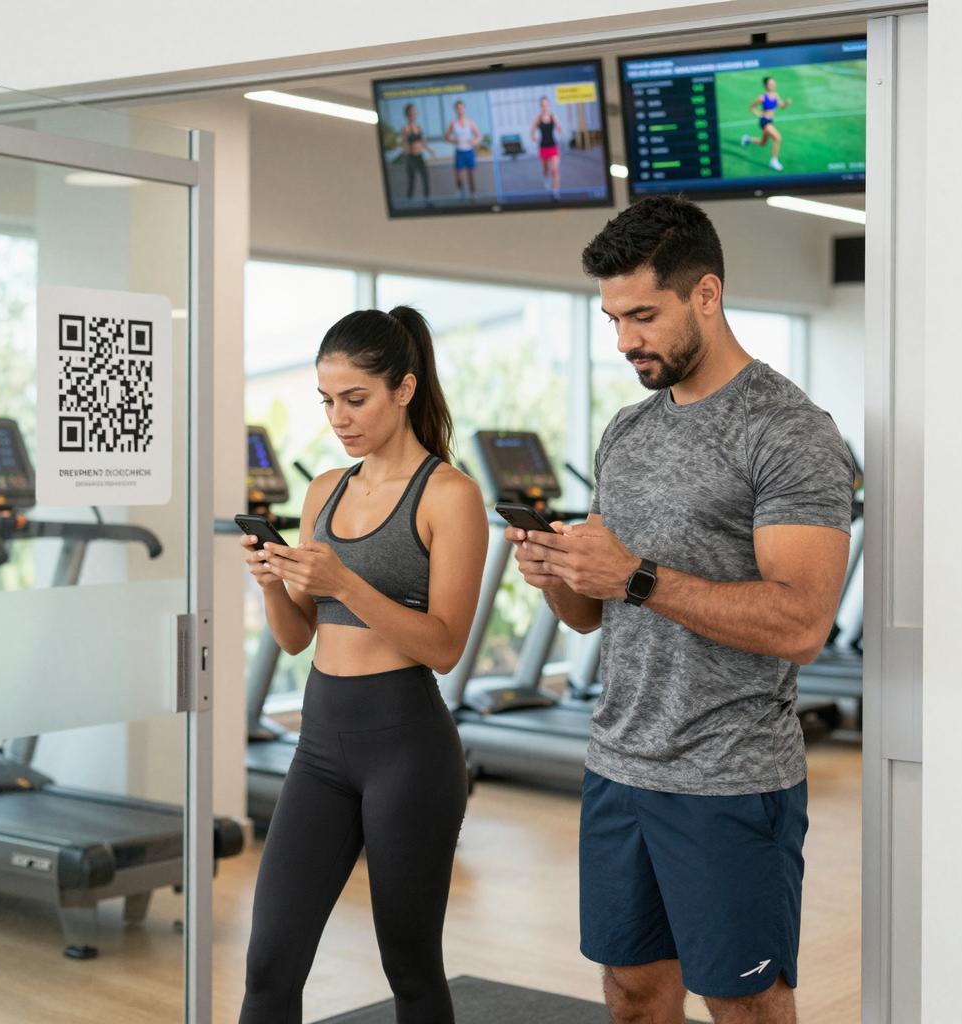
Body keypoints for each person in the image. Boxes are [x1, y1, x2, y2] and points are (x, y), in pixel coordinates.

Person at [508, 195, 853, 1024]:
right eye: (612, 319)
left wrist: (632, 574)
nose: (625, 340)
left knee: (745, 1004)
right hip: (619, 765)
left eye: (642, 315)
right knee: (631, 992)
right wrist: (559, 573)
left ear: (706, 294)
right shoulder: (627, 432)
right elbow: (595, 618)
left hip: (730, 779)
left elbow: (803, 624)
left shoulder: (789, 430)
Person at [238, 306, 488, 1024]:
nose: (338, 418)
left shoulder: (450, 496)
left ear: (403, 390)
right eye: (327, 401)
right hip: (320, 746)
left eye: (355, 399)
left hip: (406, 749)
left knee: (410, 969)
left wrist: (345, 581)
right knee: (268, 966)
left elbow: (444, 645)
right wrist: (270, 582)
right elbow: (295, 637)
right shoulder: (326, 488)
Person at [741, 75, 793, 171]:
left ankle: (747, 139)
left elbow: (781, 107)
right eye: (770, 84)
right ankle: (773, 161)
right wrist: (759, 115)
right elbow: (751, 107)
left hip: (770, 121)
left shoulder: (776, 95)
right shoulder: (762, 98)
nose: (772, 85)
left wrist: (786, 103)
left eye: (773, 83)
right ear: (766, 86)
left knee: (763, 143)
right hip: (764, 121)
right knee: (778, 138)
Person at [444, 100, 482, 200]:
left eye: (461, 108)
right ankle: (460, 191)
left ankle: (473, 194)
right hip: (459, 152)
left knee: (471, 176)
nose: (460, 110)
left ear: (464, 109)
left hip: (469, 152)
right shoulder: (453, 123)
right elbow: (446, 137)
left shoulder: (470, 122)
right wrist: (453, 141)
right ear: (455, 110)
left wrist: (474, 141)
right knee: (459, 177)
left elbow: (479, 136)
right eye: (458, 108)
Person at [530, 95, 563, 199]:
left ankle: (556, 192)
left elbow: (558, 127)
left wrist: (559, 129)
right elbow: (531, 132)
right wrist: (534, 137)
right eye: (542, 105)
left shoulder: (553, 117)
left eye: (546, 105)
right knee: (545, 170)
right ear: (540, 106)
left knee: (555, 170)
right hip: (543, 148)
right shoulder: (537, 119)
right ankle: (546, 179)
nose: (544, 107)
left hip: (553, 147)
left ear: (548, 105)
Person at [400, 103, 434, 201]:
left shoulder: (418, 127)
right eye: (411, 112)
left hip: (420, 157)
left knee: (425, 179)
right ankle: (409, 202)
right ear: (407, 114)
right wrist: (405, 152)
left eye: (415, 112)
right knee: (412, 182)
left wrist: (431, 150)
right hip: (411, 158)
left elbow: (423, 142)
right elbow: (405, 143)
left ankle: (428, 201)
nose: (414, 114)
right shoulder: (405, 128)